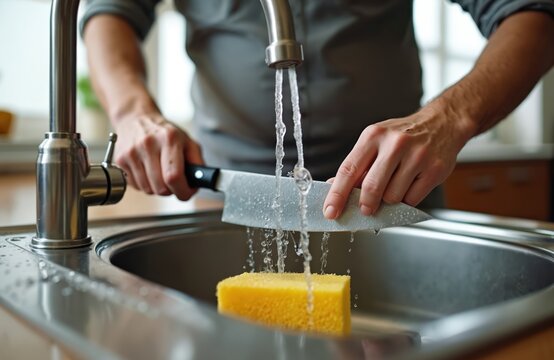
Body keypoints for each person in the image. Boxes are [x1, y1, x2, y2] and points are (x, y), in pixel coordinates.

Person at [81, 1, 554, 219]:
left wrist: (449, 117)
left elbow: (532, 13)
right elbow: (111, 13)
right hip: (228, 198)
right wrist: (131, 111)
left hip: (393, 196)